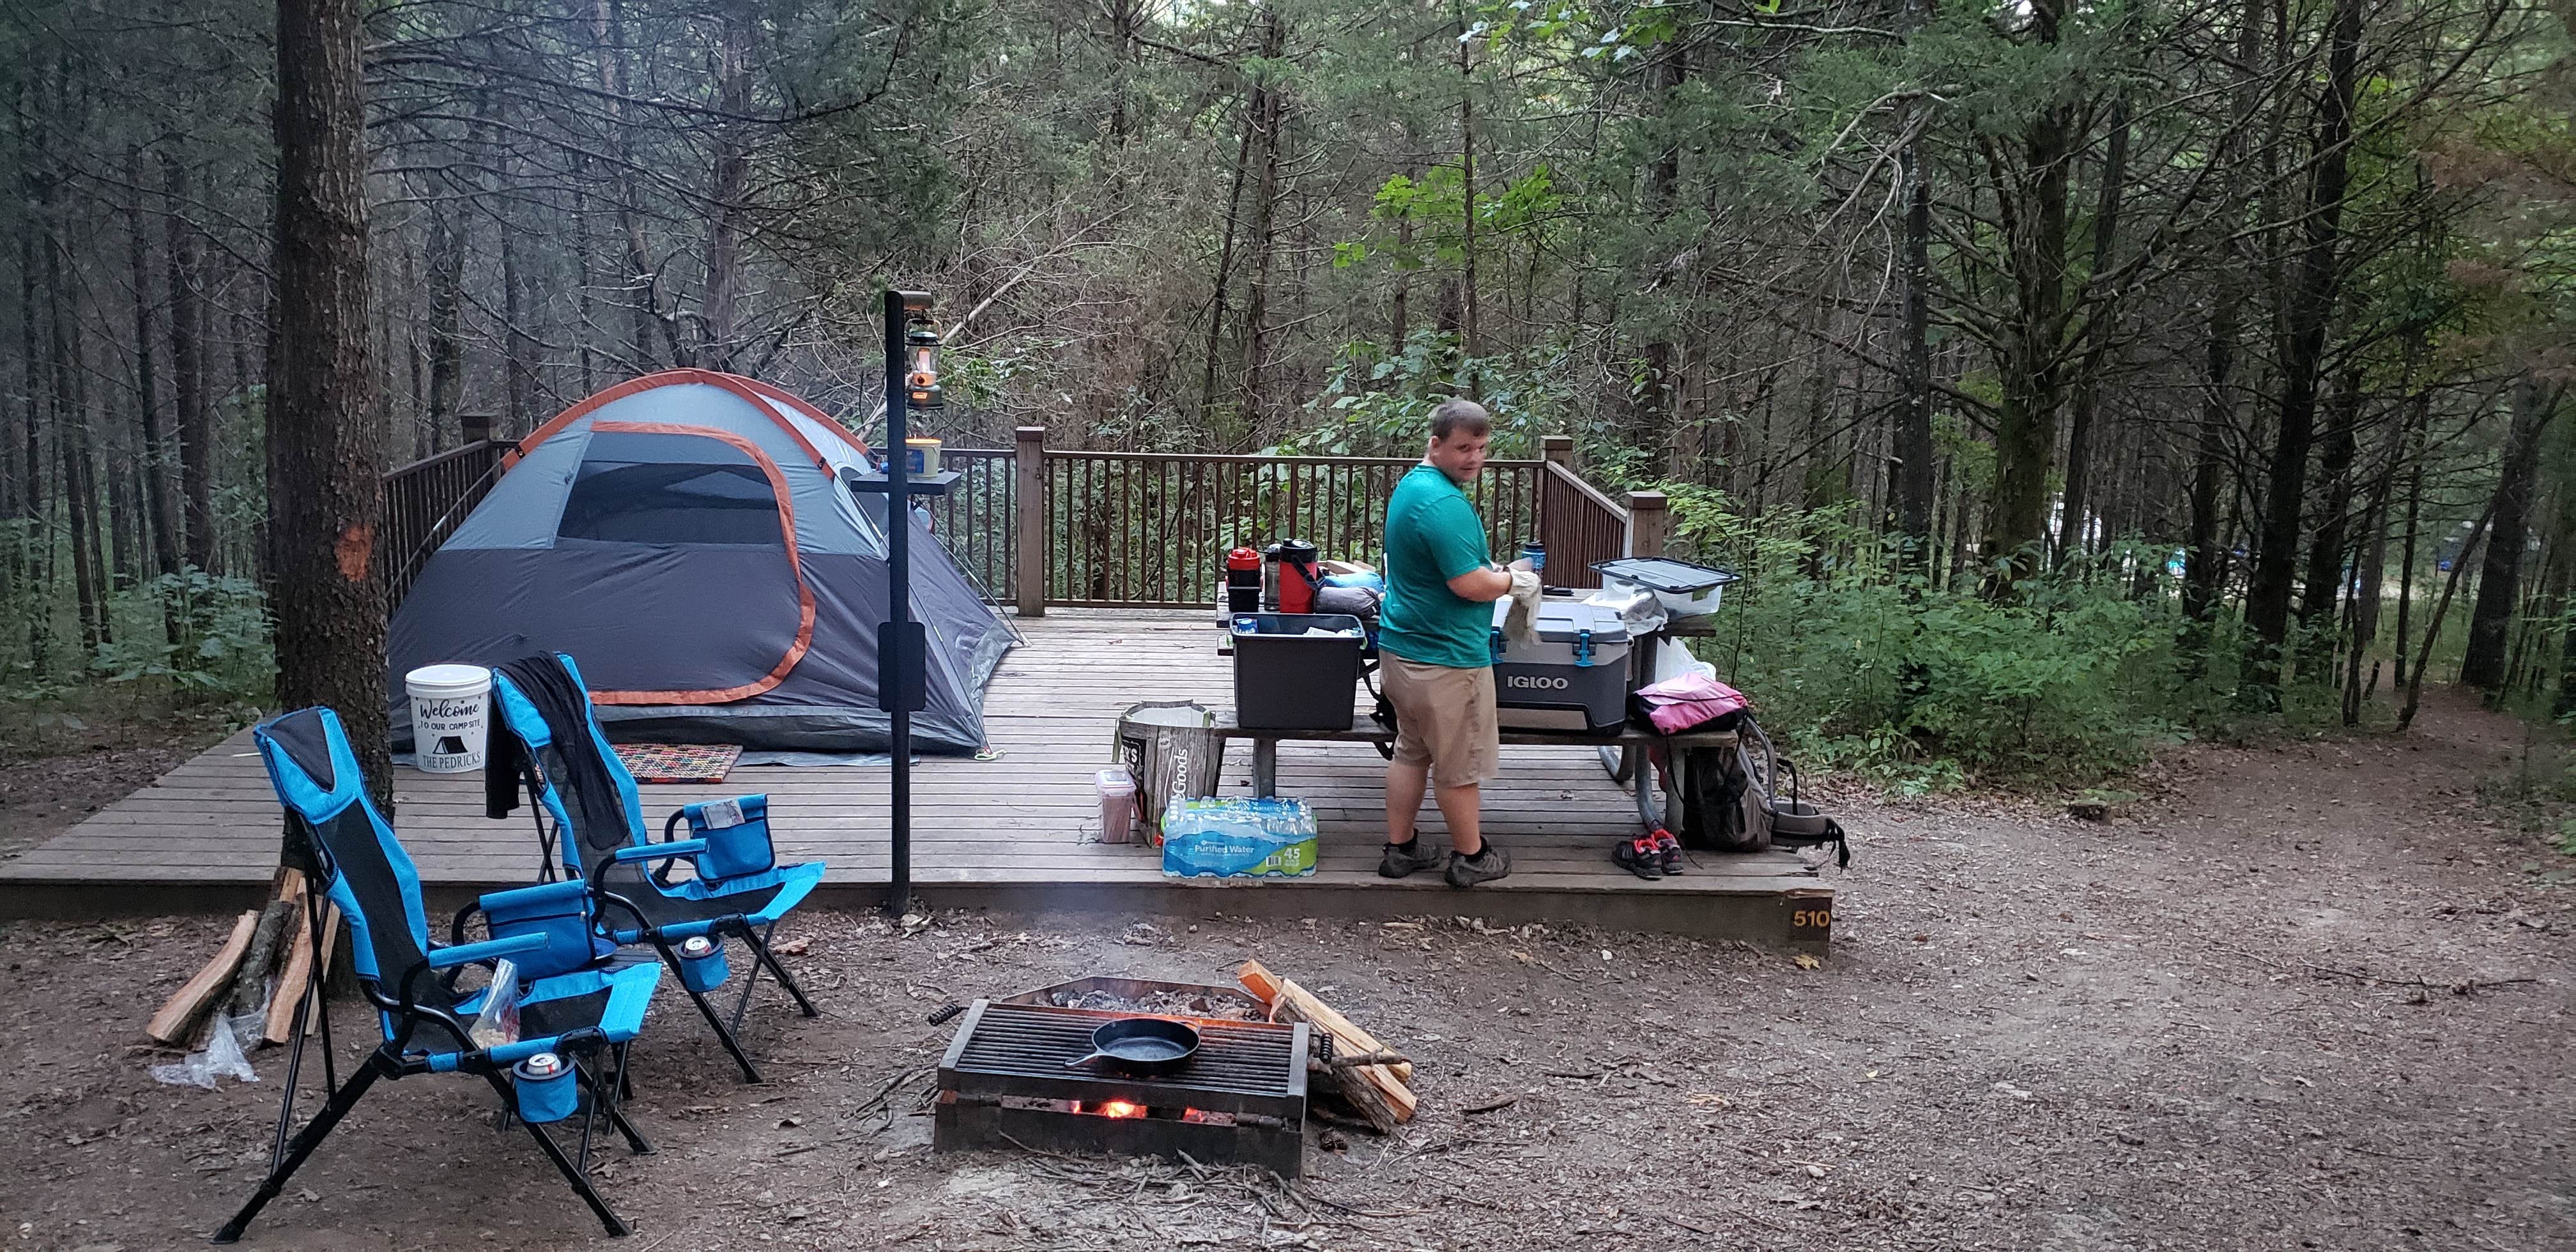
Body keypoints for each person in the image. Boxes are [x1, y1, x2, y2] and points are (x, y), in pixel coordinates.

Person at [1374, 399, 1536, 887]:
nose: (1474, 459)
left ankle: (1401, 850)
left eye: (1482, 448)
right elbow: (1469, 584)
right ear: (1436, 444)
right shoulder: (1445, 505)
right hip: (1446, 661)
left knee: (1411, 752)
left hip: (1402, 651)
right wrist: (1514, 581)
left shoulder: (1412, 486)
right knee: (1458, 769)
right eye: (1464, 448)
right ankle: (1472, 857)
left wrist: (1496, 575)